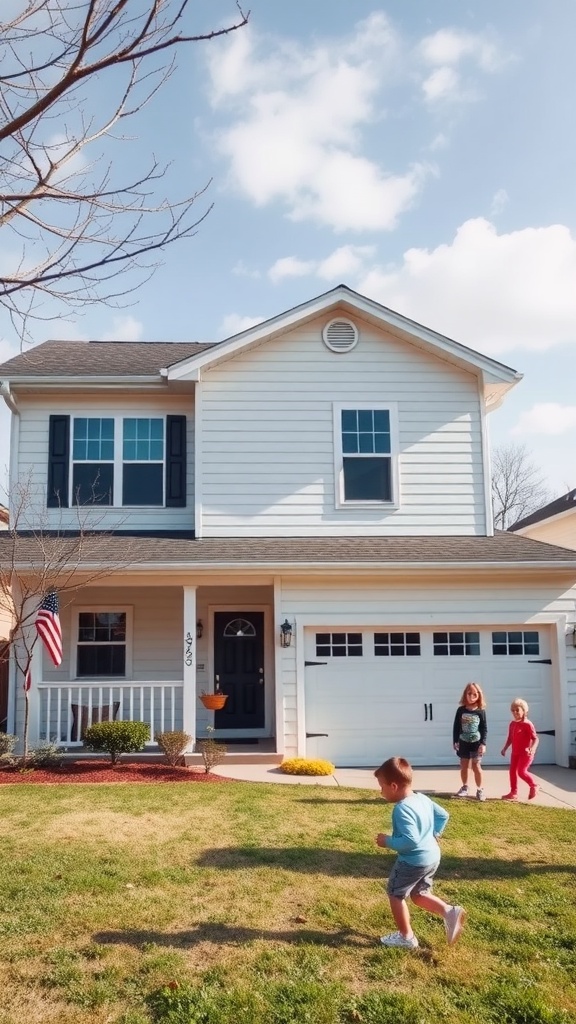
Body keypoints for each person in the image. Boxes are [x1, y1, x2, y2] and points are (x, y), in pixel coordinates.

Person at [374, 756, 466, 950]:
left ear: (393, 786)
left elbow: (410, 841)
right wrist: (436, 833)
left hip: (412, 862)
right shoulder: (422, 798)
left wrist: (387, 841)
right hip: (432, 857)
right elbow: (443, 815)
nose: (380, 791)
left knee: (395, 894)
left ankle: (406, 937)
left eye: (381, 786)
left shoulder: (401, 809)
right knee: (419, 894)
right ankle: (450, 912)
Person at [453, 682, 487, 801]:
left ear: (479, 695)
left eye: (474, 694)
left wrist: (483, 743)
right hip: (463, 742)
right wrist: (455, 741)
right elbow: (456, 726)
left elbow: (484, 728)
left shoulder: (481, 711)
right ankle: (465, 787)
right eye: (469, 693)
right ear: (465, 694)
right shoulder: (461, 710)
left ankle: (480, 789)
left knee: (476, 766)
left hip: (476, 744)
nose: (472, 696)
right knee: (464, 765)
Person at [500, 698, 539, 801]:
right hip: (515, 753)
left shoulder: (527, 724)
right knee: (512, 771)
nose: (515, 712)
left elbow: (535, 738)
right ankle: (513, 792)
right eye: (513, 710)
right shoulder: (512, 724)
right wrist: (504, 748)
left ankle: (534, 785)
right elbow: (510, 738)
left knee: (521, 772)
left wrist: (532, 748)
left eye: (517, 710)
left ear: (524, 710)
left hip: (526, 753)